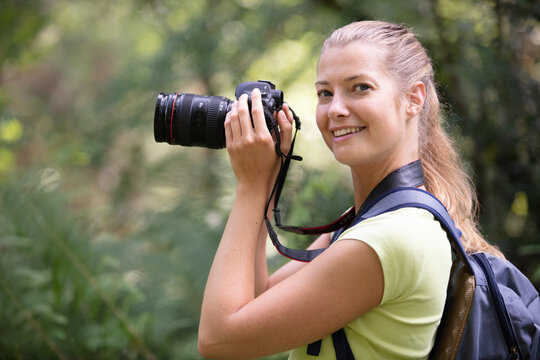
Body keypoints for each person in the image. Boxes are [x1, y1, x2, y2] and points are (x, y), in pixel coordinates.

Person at [197, 20, 502, 360]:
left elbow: (219, 340)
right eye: (325, 93)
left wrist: (251, 187)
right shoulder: (371, 219)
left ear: (413, 99)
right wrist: (266, 181)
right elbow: (257, 298)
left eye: (360, 87)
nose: (336, 109)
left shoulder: (390, 237)